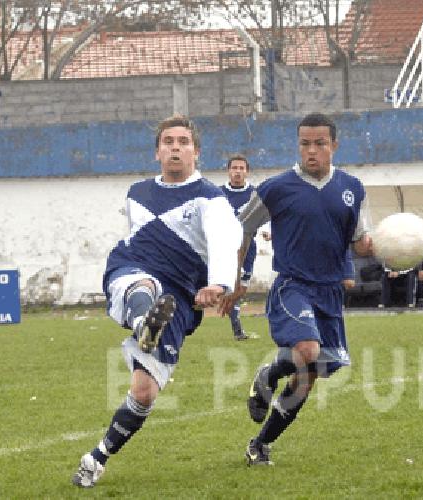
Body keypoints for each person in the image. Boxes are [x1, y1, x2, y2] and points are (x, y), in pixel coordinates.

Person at [72, 114, 241, 488]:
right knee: (144, 286)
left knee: (144, 392)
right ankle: (143, 322)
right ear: (157, 152)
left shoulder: (211, 199)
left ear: (197, 151)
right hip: (132, 269)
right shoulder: (137, 193)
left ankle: (96, 458)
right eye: (168, 141)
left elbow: (224, 240)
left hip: (179, 300)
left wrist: (218, 284)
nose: (175, 148)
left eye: (183, 141)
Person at [219, 112, 374, 466]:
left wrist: (373, 248)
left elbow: (359, 241)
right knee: (306, 350)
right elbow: (241, 229)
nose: (312, 151)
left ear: (334, 145)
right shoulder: (276, 188)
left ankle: (259, 445)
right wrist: (237, 280)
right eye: (305, 144)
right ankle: (270, 374)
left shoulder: (353, 189)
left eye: (320, 143)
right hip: (293, 286)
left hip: (330, 292)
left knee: (307, 378)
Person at [220, 154, 259, 341]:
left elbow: (265, 215)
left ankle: (233, 318)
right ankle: (237, 331)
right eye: (234, 168)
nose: (237, 171)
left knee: (241, 289)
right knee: (233, 286)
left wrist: (267, 230)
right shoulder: (218, 194)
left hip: (249, 246)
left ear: (247, 171)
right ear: (228, 171)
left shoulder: (254, 194)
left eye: (241, 168)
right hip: (227, 246)